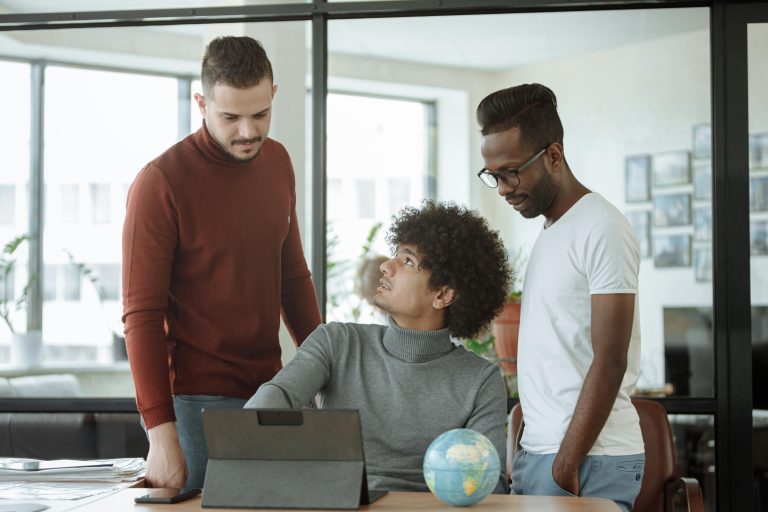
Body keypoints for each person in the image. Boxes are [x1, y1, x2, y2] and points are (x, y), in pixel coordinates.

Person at [122, 36, 321, 489]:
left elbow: (292, 277)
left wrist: (323, 370)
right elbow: (142, 316)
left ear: (274, 94)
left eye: (260, 114)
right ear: (201, 103)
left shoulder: (278, 162)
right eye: (230, 117)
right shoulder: (161, 183)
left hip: (271, 393)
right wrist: (160, 432)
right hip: (193, 402)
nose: (248, 132)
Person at [246, 200, 511, 494]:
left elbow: (489, 484)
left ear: (443, 294)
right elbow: (276, 396)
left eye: (408, 261)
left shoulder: (480, 380)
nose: (386, 266)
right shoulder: (336, 342)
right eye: (395, 255)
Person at [476, 83, 644, 511]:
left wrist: (564, 466)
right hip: (543, 456)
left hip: (587, 461)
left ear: (553, 155)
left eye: (511, 172)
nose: (502, 188)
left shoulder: (601, 227)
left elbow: (610, 359)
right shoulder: (552, 230)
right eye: (493, 175)